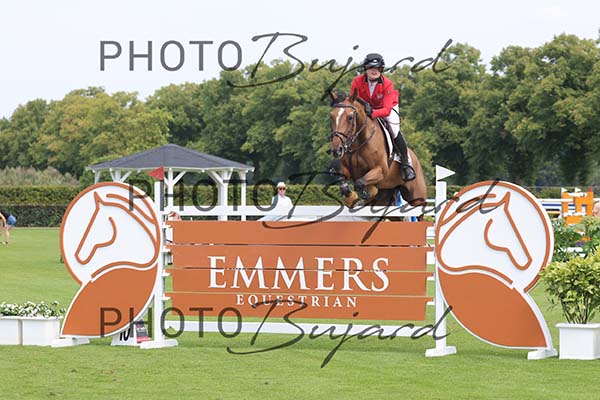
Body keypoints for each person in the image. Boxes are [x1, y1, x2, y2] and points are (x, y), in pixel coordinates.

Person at [350, 53, 415, 181]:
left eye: (377, 68)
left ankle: (406, 163)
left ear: (381, 69)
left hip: (386, 108)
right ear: (365, 69)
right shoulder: (357, 81)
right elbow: (353, 100)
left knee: (394, 130)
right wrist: (364, 108)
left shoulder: (387, 84)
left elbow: (386, 110)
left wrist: (372, 113)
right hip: (365, 109)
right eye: (371, 67)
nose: (374, 71)